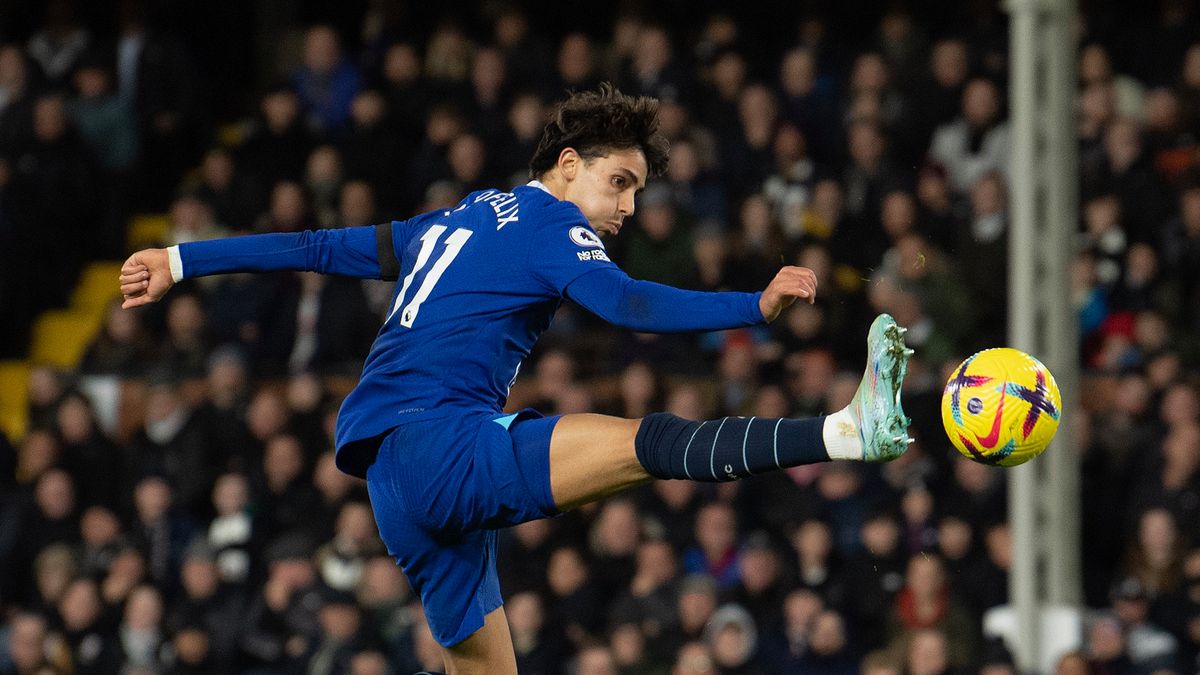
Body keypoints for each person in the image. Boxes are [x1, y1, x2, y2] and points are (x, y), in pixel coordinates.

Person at [119, 84, 913, 674]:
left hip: (394, 485)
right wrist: (755, 301)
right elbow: (627, 302)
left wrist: (183, 258)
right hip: (441, 445)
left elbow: (320, 248)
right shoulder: (550, 223)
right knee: (649, 443)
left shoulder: (457, 215)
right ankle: (845, 430)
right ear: (569, 167)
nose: (629, 207)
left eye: (639, 190)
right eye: (620, 182)